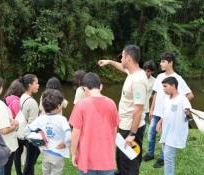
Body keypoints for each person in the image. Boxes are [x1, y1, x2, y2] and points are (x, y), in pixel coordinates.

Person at [98, 44, 148, 175]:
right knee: (121, 160)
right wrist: (109, 62)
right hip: (124, 126)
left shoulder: (138, 80)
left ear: (129, 58)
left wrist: (132, 134)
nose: (121, 59)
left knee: (130, 164)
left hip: (131, 129)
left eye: (122, 56)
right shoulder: (132, 73)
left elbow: (138, 109)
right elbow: (121, 67)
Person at [143, 52, 194, 168]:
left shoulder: (178, 78)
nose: (160, 64)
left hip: (168, 114)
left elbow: (190, 95)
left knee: (165, 136)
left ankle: (162, 158)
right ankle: (150, 154)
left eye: (163, 61)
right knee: (151, 133)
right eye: (160, 61)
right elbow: (156, 93)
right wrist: (151, 109)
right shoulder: (160, 77)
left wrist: (177, 103)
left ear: (170, 62)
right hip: (157, 112)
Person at [69, 72, 119, 175]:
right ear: (101, 86)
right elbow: (114, 130)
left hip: (86, 159)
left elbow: (75, 132)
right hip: (106, 159)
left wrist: (73, 153)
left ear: (84, 88)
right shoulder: (111, 103)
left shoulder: (80, 105)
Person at [24, 89, 71, 175]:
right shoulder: (62, 120)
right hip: (58, 154)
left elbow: (26, 131)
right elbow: (68, 136)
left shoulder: (41, 118)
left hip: (46, 152)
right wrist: (65, 144)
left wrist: (39, 141)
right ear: (58, 106)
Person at [156, 76, 191, 175]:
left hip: (175, 133)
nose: (164, 89)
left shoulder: (182, 99)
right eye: (163, 86)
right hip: (166, 132)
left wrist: (187, 112)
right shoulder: (167, 98)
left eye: (165, 86)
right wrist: (159, 122)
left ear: (173, 86)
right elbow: (165, 113)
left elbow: (188, 113)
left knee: (168, 158)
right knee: (167, 156)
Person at [18, 74, 40, 175]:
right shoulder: (32, 102)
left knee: (30, 163)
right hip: (29, 137)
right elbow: (33, 125)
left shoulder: (23, 96)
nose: (38, 85)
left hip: (21, 134)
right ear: (30, 85)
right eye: (36, 83)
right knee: (29, 164)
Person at [3, 79, 25, 174]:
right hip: (13, 131)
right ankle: (19, 172)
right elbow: (19, 117)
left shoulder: (7, 98)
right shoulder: (16, 101)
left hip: (6, 128)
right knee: (16, 153)